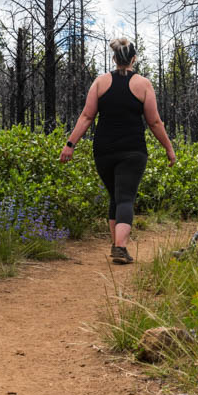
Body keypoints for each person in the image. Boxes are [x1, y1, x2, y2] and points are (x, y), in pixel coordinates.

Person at [59, 37, 176, 264]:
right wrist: (169, 148)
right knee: (125, 198)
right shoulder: (143, 84)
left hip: (104, 150)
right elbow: (154, 122)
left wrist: (70, 145)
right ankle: (121, 247)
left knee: (116, 196)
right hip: (133, 150)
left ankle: (116, 246)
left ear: (114, 59)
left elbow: (86, 117)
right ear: (134, 59)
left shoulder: (100, 83)